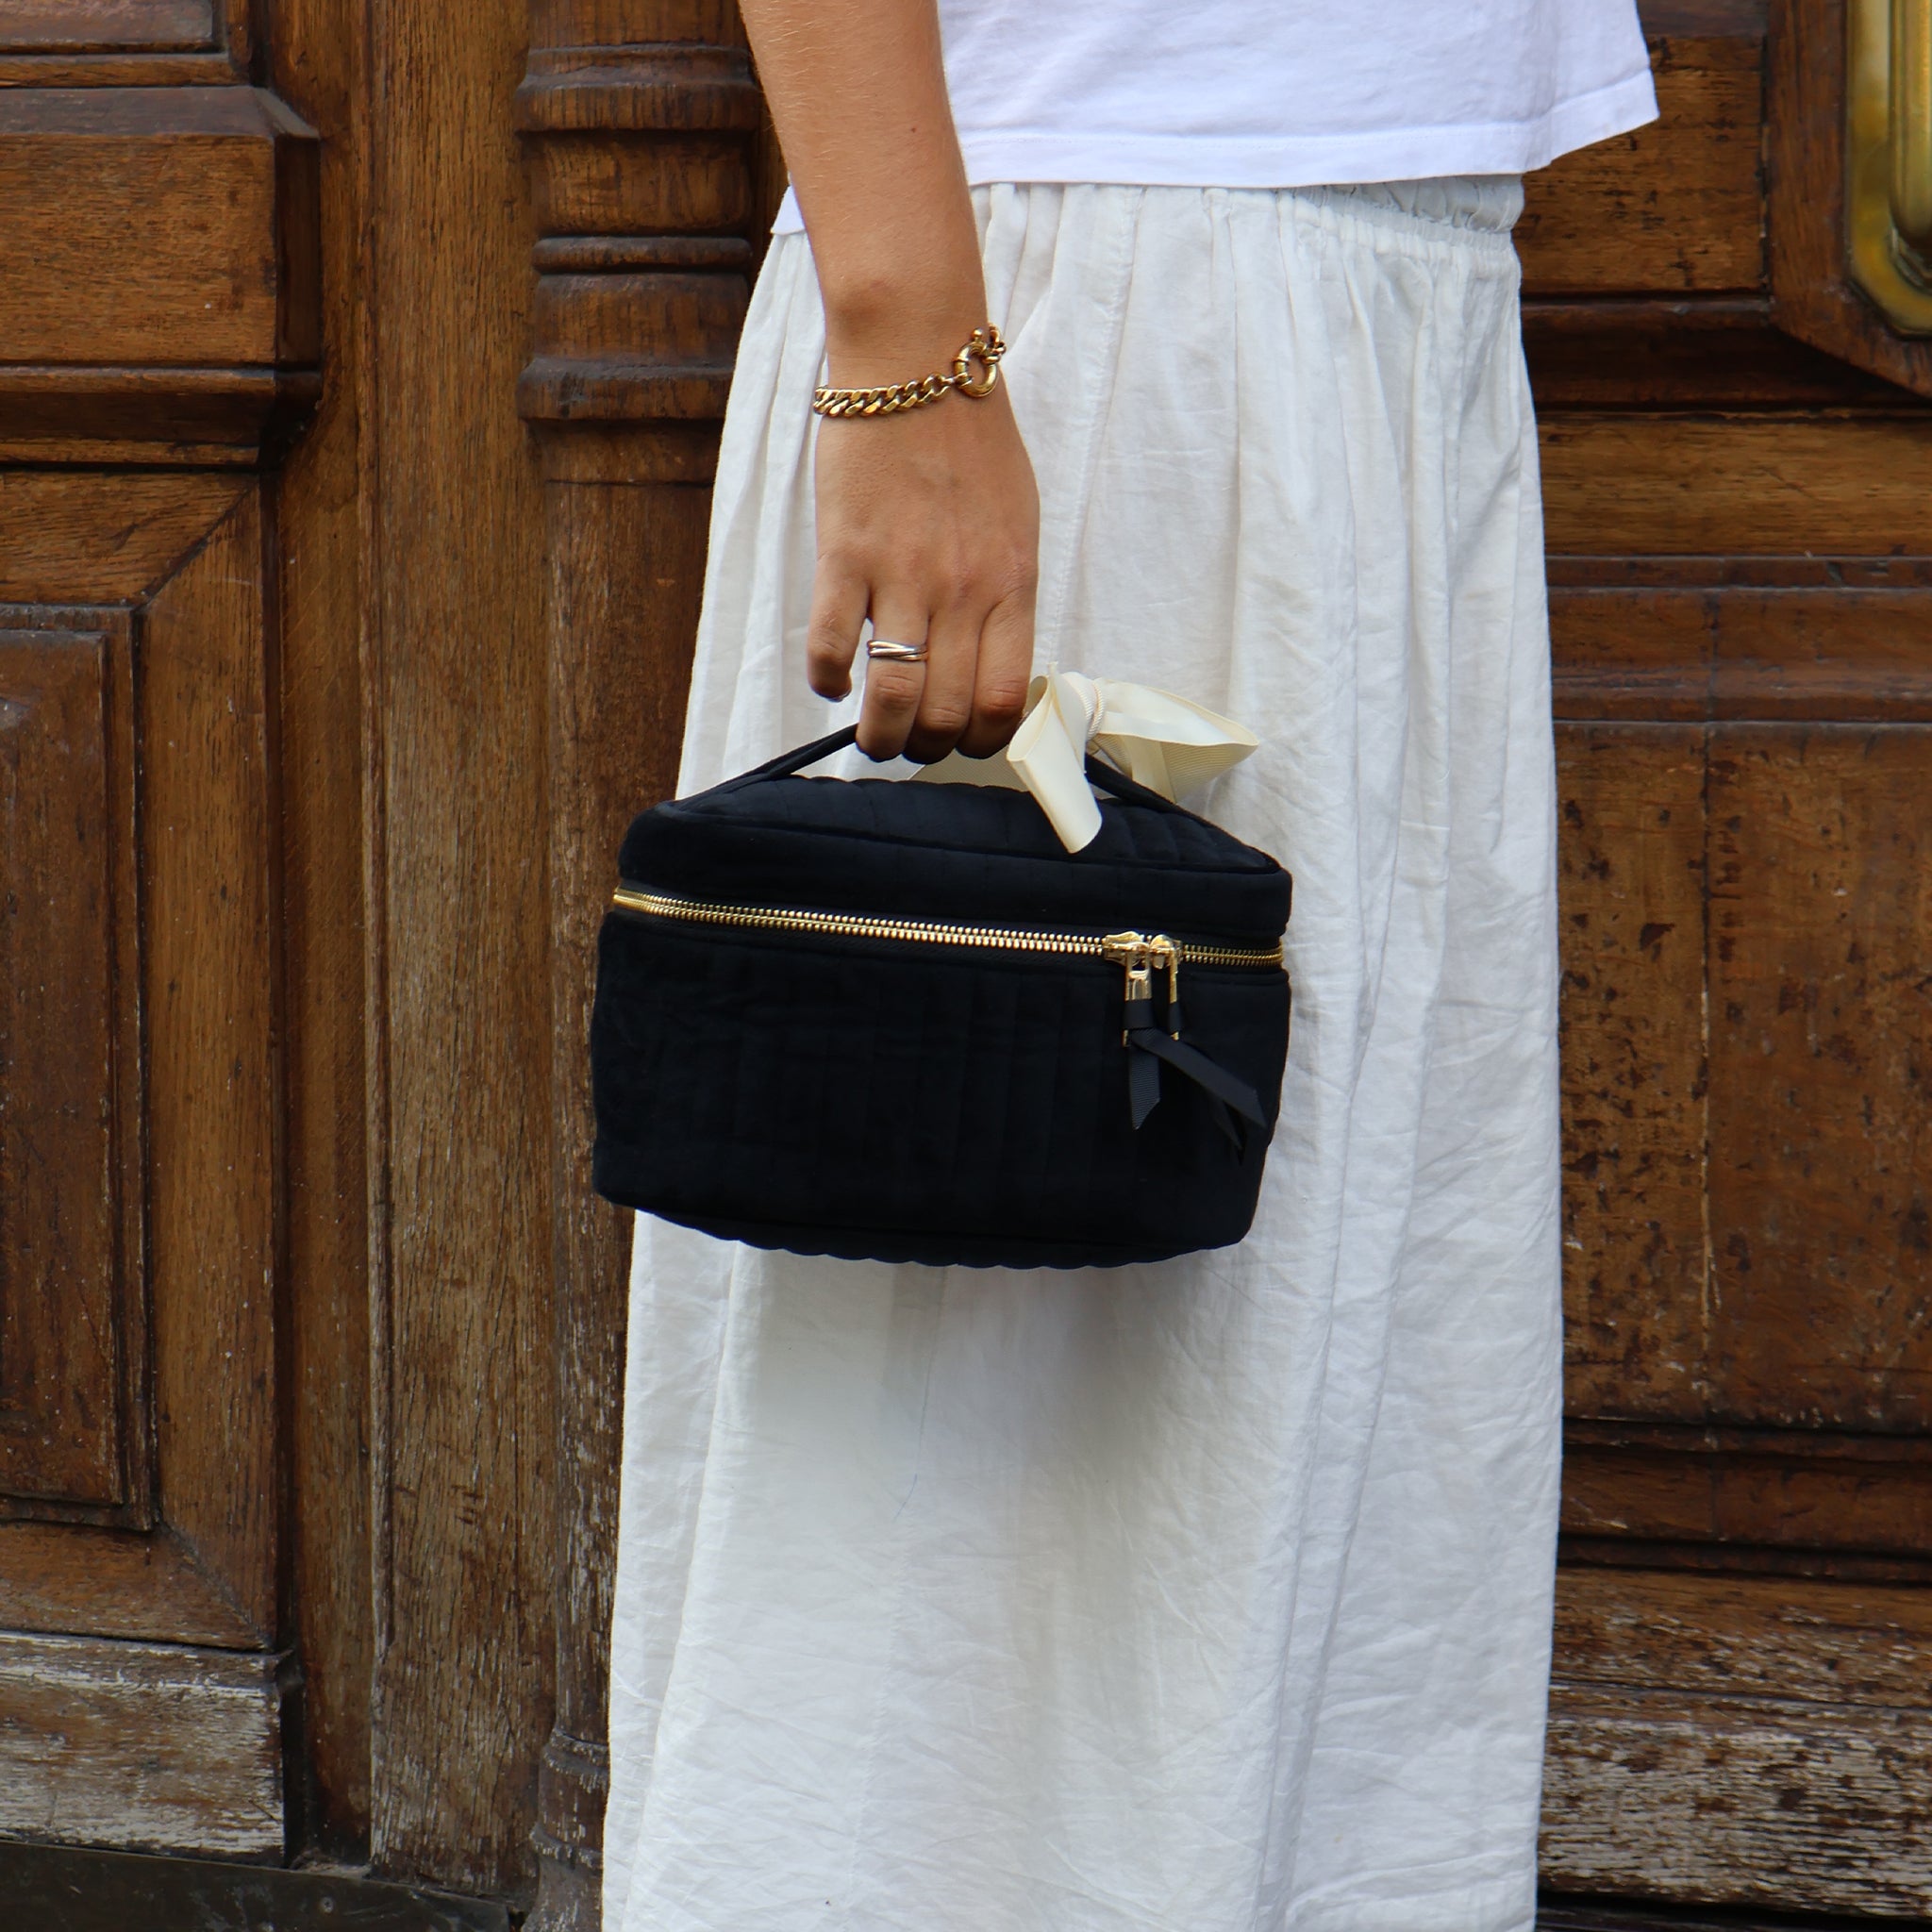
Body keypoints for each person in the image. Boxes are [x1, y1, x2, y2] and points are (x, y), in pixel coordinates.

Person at [602, 5, 1656, 1927]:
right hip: (1104, 298)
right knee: (950, 1454)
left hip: (1363, 284)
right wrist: (912, 346)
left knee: (1298, 1405)